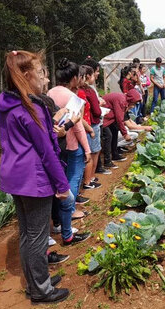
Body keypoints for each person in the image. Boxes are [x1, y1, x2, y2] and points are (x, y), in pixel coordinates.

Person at [0, 50, 69, 303]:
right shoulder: (32, 109)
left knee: (28, 234)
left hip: (14, 177)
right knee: (37, 237)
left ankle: (36, 281)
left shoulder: (7, 103)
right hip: (34, 179)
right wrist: (62, 184)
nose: (45, 79)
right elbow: (47, 152)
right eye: (41, 73)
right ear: (26, 75)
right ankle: (41, 290)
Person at [47, 58, 92, 243]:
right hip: (70, 144)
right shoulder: (72, 98)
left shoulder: (49, 92)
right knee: (70, 181)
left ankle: (57, 222)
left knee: (57, 185)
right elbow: (78, 125)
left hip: (55, 146)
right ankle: (69, 219)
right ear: (74, 78)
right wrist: (87, 149)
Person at [101, 91, 139, 168]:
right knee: (108, 136)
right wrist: (125, 134)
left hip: (110, 118)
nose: (134, 105)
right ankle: (107, 161)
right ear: (132, 99)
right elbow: (119, 118)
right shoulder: (121, 100)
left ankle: (115, 155)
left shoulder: (124, 100)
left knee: (114, 131)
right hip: (104, 119)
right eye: (135, 103)